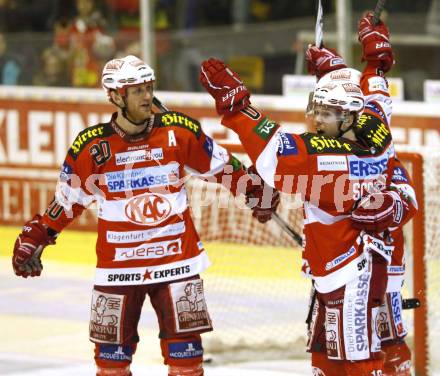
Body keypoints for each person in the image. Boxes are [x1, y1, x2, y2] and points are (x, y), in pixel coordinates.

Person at [11, 54, 279, 376]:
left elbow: (222, 167)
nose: (147, 96)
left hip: (177, 263)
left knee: (187, 364)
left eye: (149, 88)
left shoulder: (178, 131)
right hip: (118, 268)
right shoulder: (91, 146)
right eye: (136, 90)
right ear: (114, 96)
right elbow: (67, 202)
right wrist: (38, 233)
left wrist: (255, 192)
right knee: (111, 365)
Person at [199, 13, 416, 376]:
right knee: (330, 355)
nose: (316, 119)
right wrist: (353, 69)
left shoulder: (327, 158)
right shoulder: (374, 129)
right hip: (353, 264)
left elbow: (275, 152)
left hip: (353, 271)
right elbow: (377, 96)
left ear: (347, 117)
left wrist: (237, 107)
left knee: (363, 359)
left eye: (326, 113)